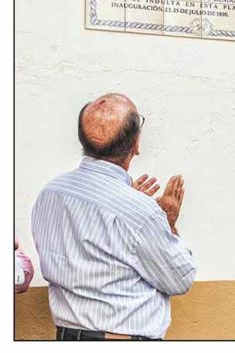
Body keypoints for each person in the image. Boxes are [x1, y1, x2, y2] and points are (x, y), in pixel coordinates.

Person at [31, 93, 196, 340]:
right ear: (136, 144)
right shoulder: (141, 212)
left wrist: (128, 207)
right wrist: (167, 221)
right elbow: (179, 279)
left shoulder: (49, 193)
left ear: (83, 140)